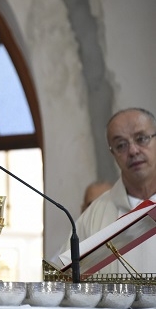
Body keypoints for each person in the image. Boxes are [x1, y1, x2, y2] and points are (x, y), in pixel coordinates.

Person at [59, 108, 156, 274]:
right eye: (121, 145)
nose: (133, 151)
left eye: (141, 139)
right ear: (113, 153)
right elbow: (67, 280)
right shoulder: (93, 217)